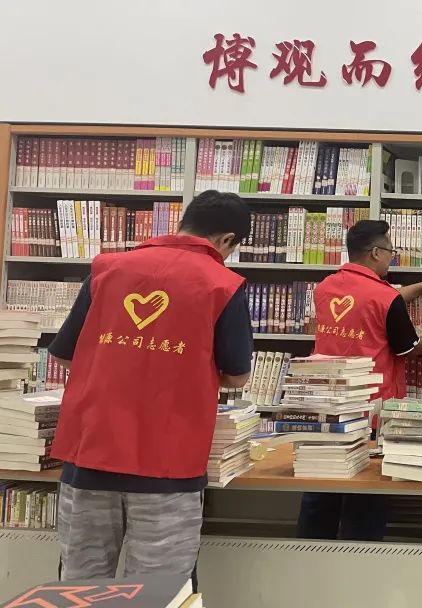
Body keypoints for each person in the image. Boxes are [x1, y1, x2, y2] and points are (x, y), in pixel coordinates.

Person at [47, 190, 254, 580]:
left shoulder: (107, 269)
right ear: (226, 239)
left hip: (90, 453)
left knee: (79, 586)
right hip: (169, 464)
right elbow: (237, 374)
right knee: (158, 589)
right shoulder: (223, 285)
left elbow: (64, 354)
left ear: (184, 222)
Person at [296, 219, 422, 541]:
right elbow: (409, 348)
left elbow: (370, 300)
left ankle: (309, 554)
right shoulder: (385, 298)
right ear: (375, 253)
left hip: (326, 404)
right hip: (370, 410)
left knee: (320, 486)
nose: (391, 258)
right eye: (391, 252)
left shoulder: (325, 288)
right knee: (366, 493)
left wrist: (420, 286)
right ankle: (361, 557)